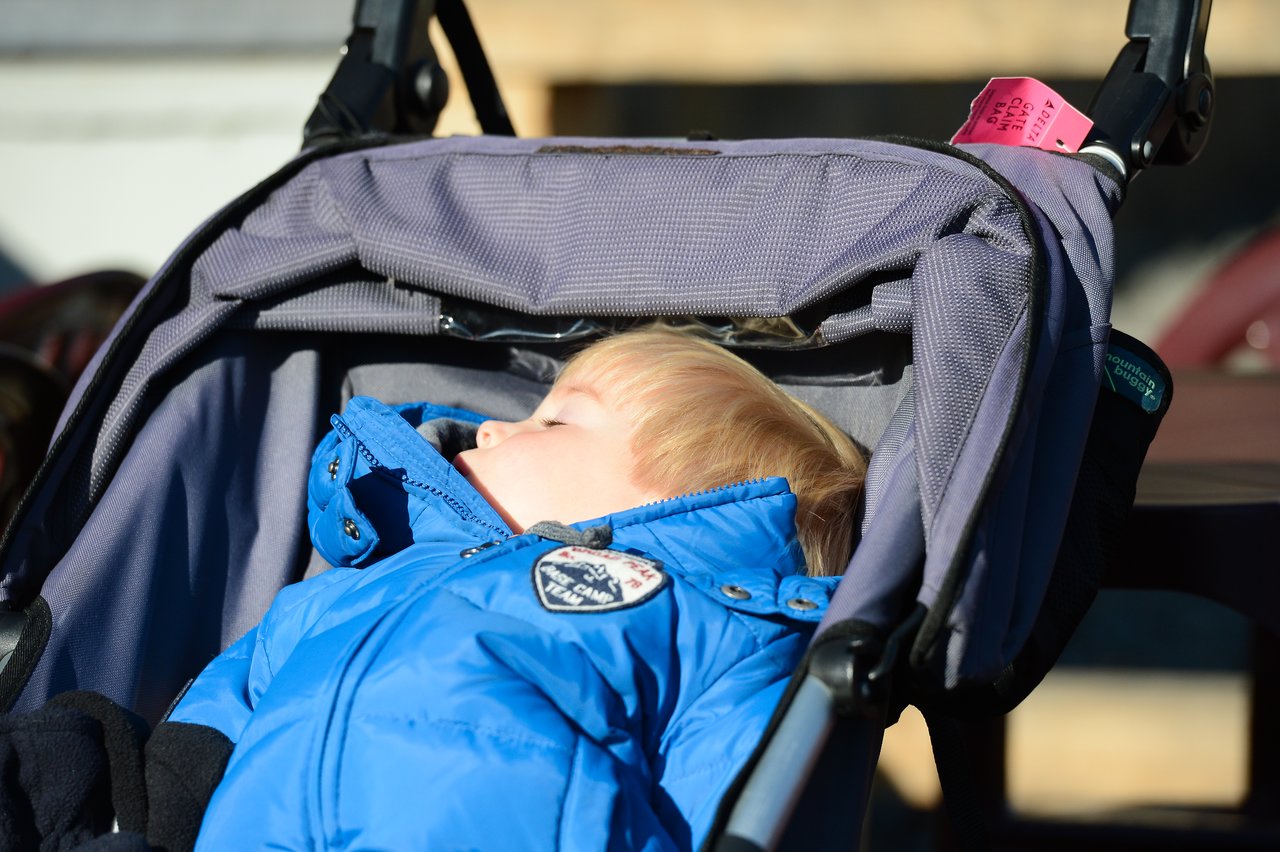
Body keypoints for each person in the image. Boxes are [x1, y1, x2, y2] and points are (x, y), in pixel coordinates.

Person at [169, 327, 867, 850]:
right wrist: (162, 805)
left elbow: (732, 792)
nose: (491, 429)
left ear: (671, 502)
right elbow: (231, 702)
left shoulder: (701, 625)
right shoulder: (374, 575)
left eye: (554, 420)